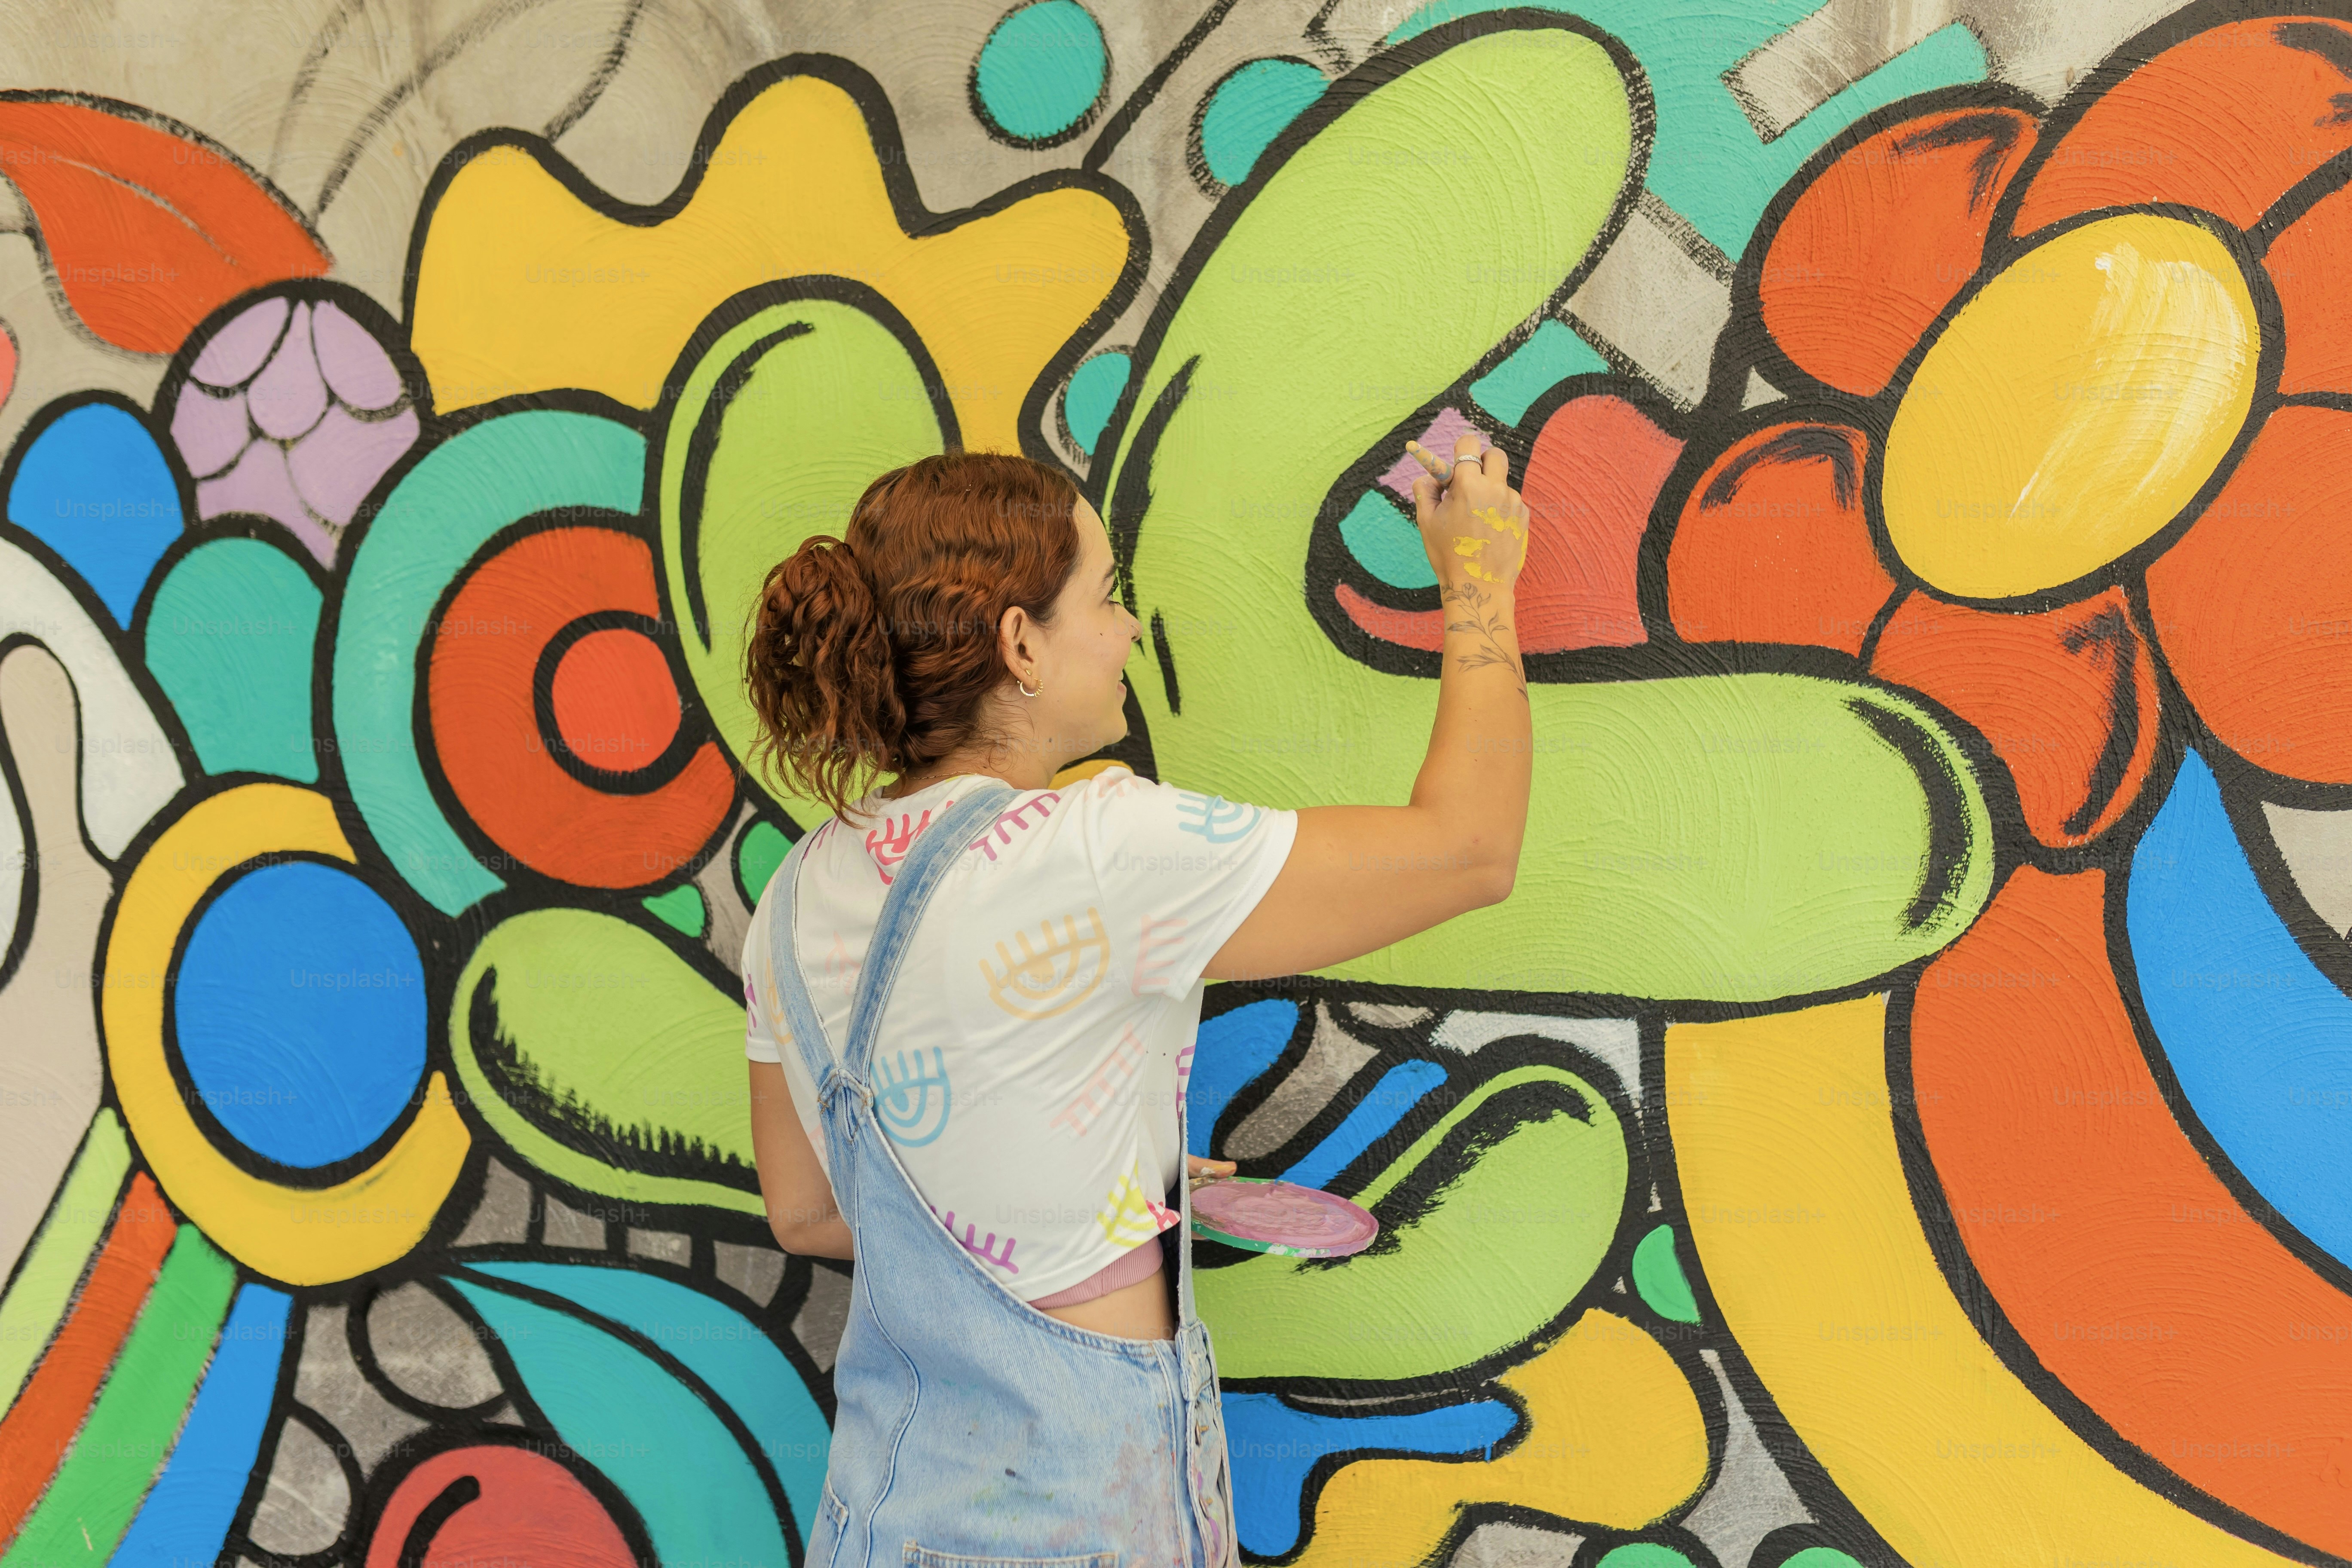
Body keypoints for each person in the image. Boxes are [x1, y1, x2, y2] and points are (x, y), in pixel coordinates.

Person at [740, 432, 1532, 1566]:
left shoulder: (800, 888)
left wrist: (1087, 1175)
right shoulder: (1102, 847)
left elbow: (810, 1211)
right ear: (1020, 643)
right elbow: (1467, 852)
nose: (1127, 630)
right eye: (1104, 598)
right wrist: (1480, 585)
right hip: (1073, 1530)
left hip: (884, 1522)